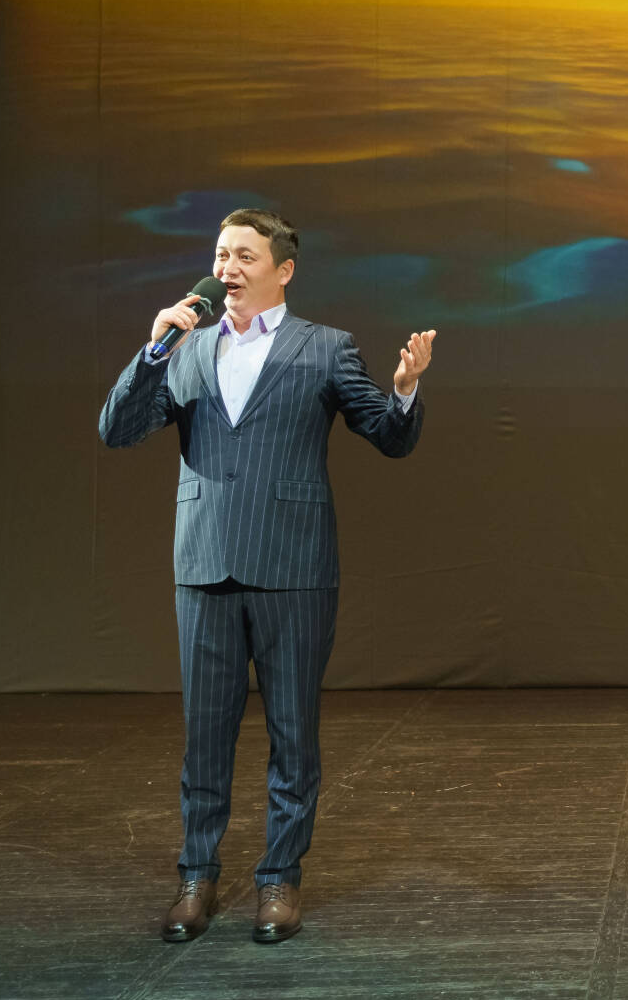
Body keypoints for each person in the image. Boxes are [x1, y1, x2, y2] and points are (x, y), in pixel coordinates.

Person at [99, 209, 435, 942]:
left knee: (292, 734)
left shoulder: (326, 348)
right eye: (221, 254)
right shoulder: (186, 346)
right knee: (205, 737)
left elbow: (388, 436)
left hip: (294, 568)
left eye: (244, 256)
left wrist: (405, 389)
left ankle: (279, 879)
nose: (227, 268)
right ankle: (197, 876)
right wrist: (153, 349)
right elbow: (116, 430)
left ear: (283, 270)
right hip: (205, 564)